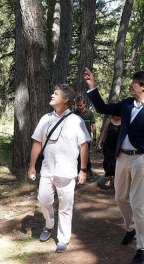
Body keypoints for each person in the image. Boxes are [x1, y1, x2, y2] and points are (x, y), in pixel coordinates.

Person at [84, 67, 144, 264]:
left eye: (134, 82)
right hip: (122, 158)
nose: (130, 85)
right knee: (119, 197)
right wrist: (92, 87)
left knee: (138, 203)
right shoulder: (126, 104)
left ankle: (143, 246)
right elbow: (102, 108)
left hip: (142, 160)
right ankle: (131, 227)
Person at [28, 84, 91, 253]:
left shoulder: (76, 121)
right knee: (43, 199)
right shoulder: (45, 119)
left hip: (67, 171)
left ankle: (63, 239)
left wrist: (83, 170)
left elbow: (83, 145)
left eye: (55, 94)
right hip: (48, 169)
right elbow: (37, 142)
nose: (51, 95)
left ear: (65, 99)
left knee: (65, 206)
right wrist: (32, 166)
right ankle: (49, 224)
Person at [74, 96, 96, 177]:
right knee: (77, 155)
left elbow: (93, 125)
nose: (79, 107)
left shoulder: (89, 113)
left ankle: (88, 172)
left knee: (87, 155)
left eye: (80, 105)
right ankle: (78, 172)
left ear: (84, 104)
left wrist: (94, 139)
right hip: (76, 139)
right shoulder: (74, 113)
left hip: (86, 139)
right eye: (77, 105)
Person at [97, 115, 121, 188]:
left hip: (119, 146)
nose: (117, 116)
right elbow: (104, 132)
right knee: (107, 162)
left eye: (119, 114)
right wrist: (99, 143)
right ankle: (109, 179)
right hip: (108, 145)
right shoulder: (109, 120)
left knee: (117, 163)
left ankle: (117, 181)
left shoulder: (124, 120)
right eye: (116, 114)